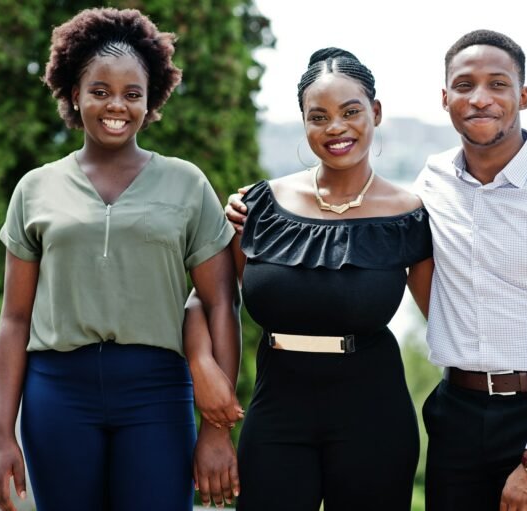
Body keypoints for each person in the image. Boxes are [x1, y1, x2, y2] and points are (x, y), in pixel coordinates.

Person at [227, 30, 527, 511]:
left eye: (497, 84)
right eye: (464, 85)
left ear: (523, 95)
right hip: (456, 414)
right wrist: (252, 211)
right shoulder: (430, 186)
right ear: (445, 98)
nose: (480, 98)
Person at [0, 8, 240, 511]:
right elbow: (14, 319)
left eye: (132, 93)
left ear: (152, 99)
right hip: (57, 394)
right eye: (99, 90)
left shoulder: (187, 183)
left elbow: (221, 306)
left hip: (157, 393)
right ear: (73, 94)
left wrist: (216, 430)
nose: (115, 105)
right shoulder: (35, 189)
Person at [184, 47, 435, 510]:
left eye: (351, 111)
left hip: (374, 414)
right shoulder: (257, 208)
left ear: (375, 113)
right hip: (278, 408)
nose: (335, 127)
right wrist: (202, 371)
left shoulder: (409, 215)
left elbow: (445, 321)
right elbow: (208, 299)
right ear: (303, 122)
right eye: (318, 116)